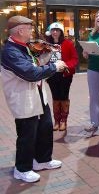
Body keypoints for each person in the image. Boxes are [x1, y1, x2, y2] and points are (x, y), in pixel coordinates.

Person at [1, 15, 66, 183]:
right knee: (27, 134)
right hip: (23, 99)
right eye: (29, 28)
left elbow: (35, 65)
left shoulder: (24, 46)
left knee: (45, 127)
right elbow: (30, 73)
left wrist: (48, 55)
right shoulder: (10, 51)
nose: (32, 31)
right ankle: (22, 169)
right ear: (20, 30)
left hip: (37, 95)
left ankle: (42, 160)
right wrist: (54, 66)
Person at [45, 22, 79, 131]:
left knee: (64, 96)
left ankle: (64, 120)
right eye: (53, 30)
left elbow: (74, 59)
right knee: (55, 97)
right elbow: (43, 58)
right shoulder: (46, 44)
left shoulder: (68, 43)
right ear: (50, 32)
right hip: (52, 74)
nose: (55, 32)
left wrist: (66, 65)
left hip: (65, 74)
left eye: (57, 30)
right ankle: (56, 120)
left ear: (61, 32)